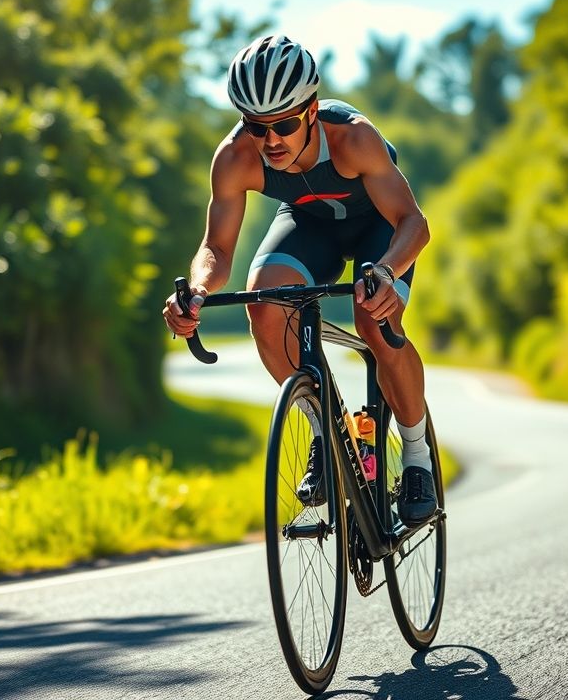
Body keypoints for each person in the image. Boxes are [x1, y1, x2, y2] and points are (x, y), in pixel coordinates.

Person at [163, 35, 437, 526]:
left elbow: (414, 225)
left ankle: (415, 457)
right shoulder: (234, 157)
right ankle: (324, 434)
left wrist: (385, 272)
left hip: (380, 228)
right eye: (256, 126)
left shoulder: (354, 138)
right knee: (266, 302)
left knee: (372, 322)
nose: (271, 141)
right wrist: (199, 290)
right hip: (311, 225)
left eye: (284, 124)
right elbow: (216, 247)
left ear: (311, 109)